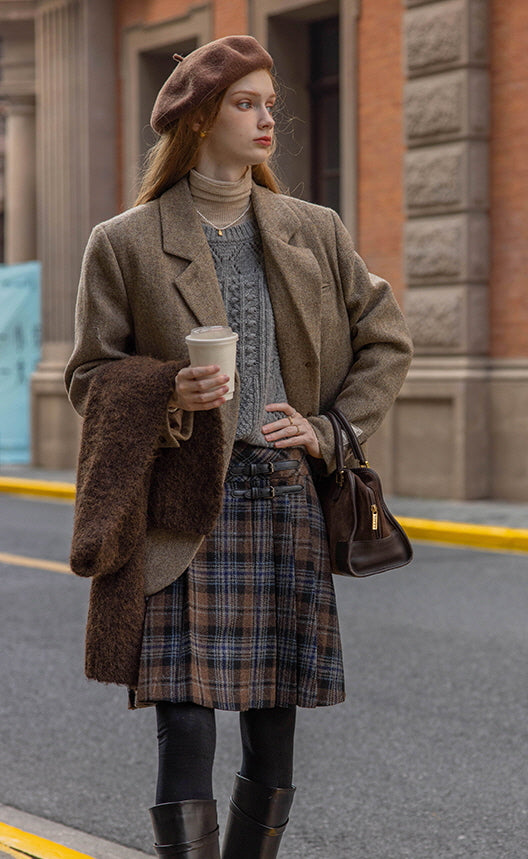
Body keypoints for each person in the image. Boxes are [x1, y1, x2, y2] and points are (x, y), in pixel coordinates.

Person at [65, 35, 412, 859]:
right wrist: (162, 391)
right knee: (183, 720)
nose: (267, 120)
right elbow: (88, 375)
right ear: (198, 121)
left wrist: (331, 431)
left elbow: (387, 341)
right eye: (247, 104)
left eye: (271, 104)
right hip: (185, 506)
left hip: (283, 493)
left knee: (272, 718)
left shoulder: (313, 229)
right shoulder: (124, 241)